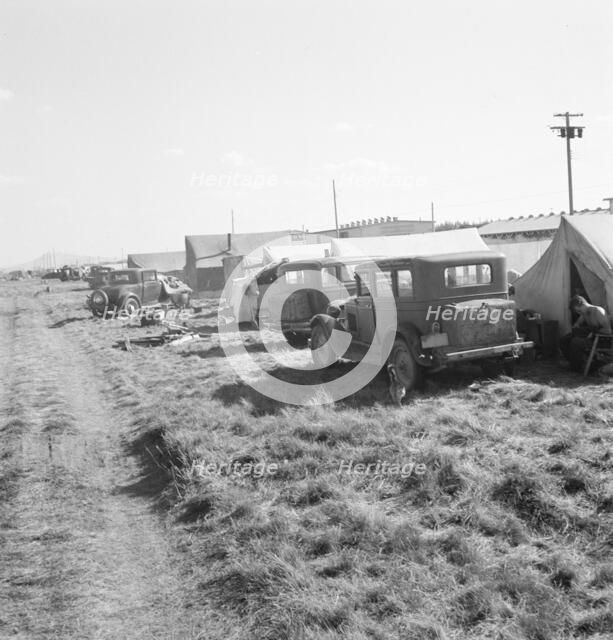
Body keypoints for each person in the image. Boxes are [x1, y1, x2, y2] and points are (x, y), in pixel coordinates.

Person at [560, 296, 612, 371]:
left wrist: (594, 332)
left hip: (601, 340)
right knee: (564, 340)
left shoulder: (598, 311)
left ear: (583, 304)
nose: (579, 313)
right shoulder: (585, 313)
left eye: (579, 311)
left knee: (576, 342)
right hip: (592, 337)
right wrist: (576, 326)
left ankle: (576, 368)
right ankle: (574, 363)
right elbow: (577, 324)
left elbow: (608, 331)